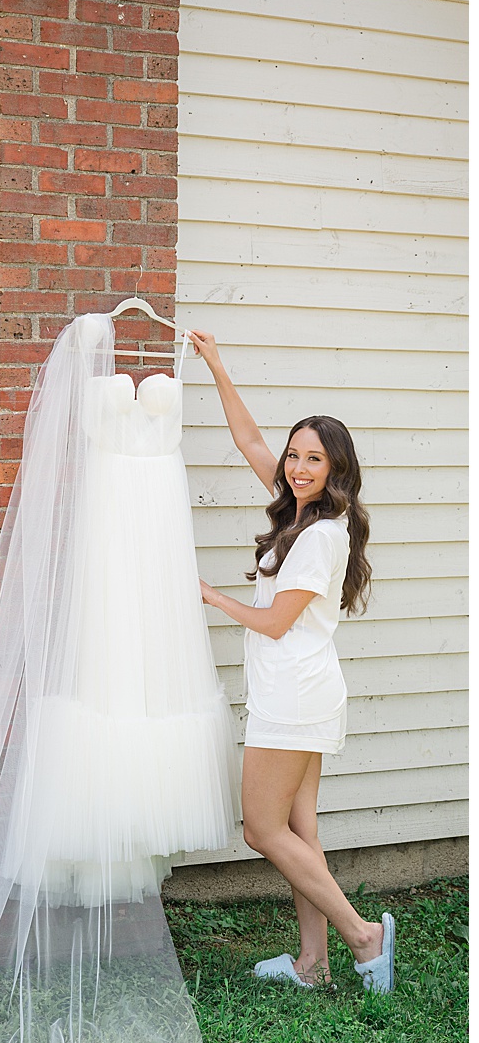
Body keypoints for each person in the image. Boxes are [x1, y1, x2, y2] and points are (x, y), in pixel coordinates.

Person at [188, 328, 394, 991]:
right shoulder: (299, 513)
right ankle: (312, 964)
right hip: (301, 688)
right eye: (295, 456)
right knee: (300, 831)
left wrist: (211, 596)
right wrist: (218, 363)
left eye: (314, 460)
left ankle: (363, 936)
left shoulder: (321, 537)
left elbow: (276, 623)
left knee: (261, 829)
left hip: (293, 694)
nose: (299, 468)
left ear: (337, 469)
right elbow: (252, 441)